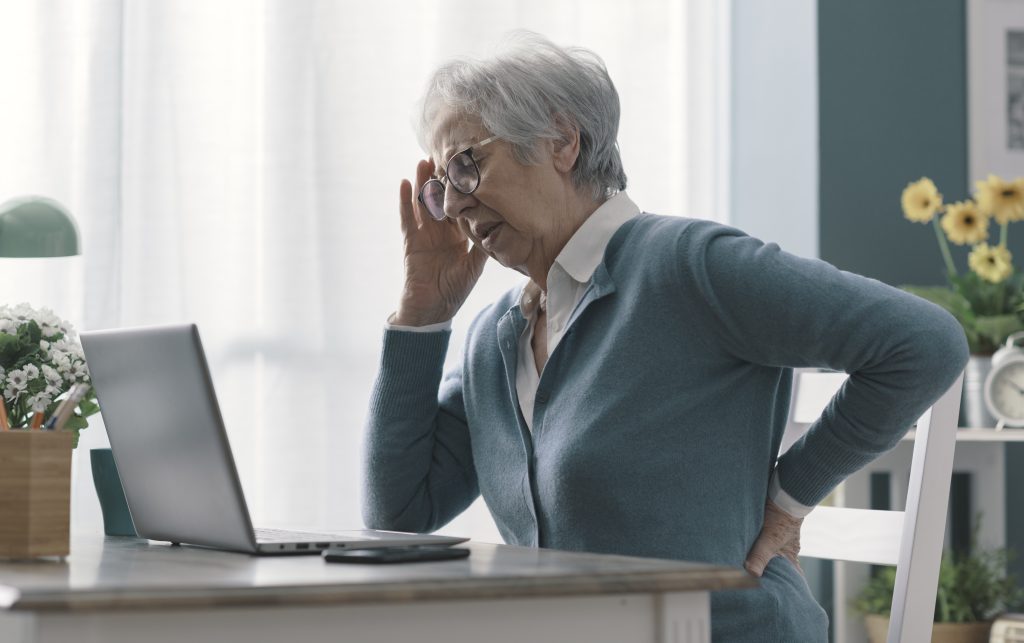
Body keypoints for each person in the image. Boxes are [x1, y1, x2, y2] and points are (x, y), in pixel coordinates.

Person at [361, 32, 968, 642]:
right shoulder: (498, 338)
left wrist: (790, 497)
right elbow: (398, 516)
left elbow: (923, 343)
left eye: (465, 165)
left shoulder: (687, 265)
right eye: (440, 187)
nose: (454, 206)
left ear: (561, 142)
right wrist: (422, 314)